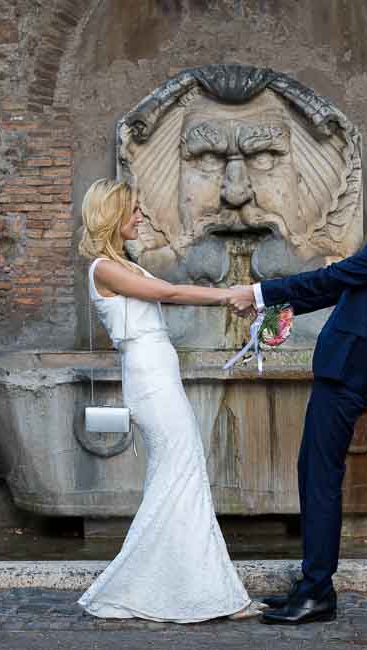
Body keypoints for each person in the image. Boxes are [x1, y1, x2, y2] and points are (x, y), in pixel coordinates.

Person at [227, 148, 367, 625]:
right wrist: (274, 311)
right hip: (342, 364)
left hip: (350, 367)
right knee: (312, 472)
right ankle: (311, 584)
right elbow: (340, 289)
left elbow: (337, 275)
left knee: (320, 478)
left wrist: (260, 291)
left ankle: (318, 591)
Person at [76, 177, 261, 622]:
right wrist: (232, 294)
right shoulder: (103, 267)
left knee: (182, 474)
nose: (140, 217)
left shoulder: (125, 263)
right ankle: (192, 591)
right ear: (112, 214)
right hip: (149, 376)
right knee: (180, 473)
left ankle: (197, 588)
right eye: (133, 210)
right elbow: (169, 294)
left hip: (159, 370)